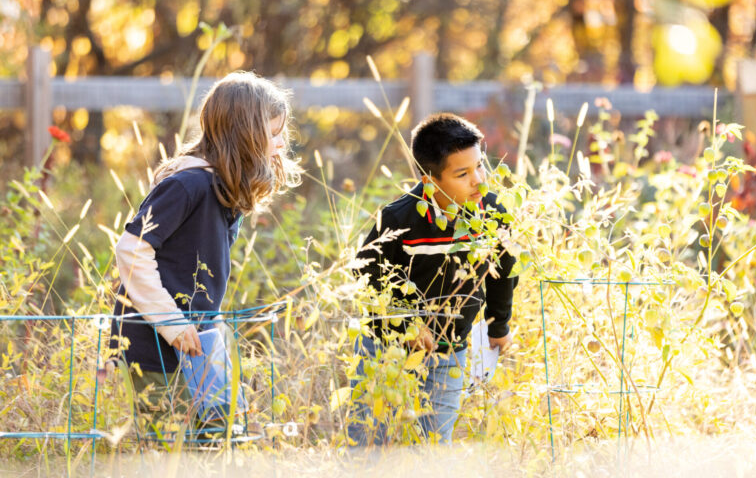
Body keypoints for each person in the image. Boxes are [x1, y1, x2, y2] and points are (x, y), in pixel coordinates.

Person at [108, 71, 301, 430]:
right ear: (243, 134)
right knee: (170, 448)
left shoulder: (224, 189)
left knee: (220, 435)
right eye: (272, 134)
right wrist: (172, 324)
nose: (279, 144)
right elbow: (131, 251)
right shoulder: (188, 184)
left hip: (200, 340)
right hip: (155, 345)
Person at [349, 113, 518, 445]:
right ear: (430, 180)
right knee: (369, 440)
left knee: (434, 445)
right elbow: (365, 280)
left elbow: (504, 271)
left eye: (480, 167)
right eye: (463, 174)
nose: (479, 181)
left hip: (448, 349)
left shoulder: (493, 214)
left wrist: (499, 327)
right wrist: (405, 323)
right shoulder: (398, 219)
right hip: (387, 349)